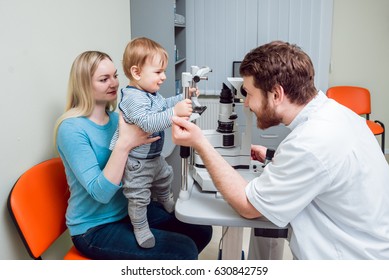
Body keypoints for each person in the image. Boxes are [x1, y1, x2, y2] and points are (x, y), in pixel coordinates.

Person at [171, 40, 389, 259]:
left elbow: (248, 205)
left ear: (276, 94)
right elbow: (325, 169)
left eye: (249, 94)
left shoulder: (309, 143)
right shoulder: (338, 115)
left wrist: (201, 143)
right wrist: (273, 157)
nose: (246, 104)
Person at [54, 50, 212, 259]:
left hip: (126, 209)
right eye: (104, 79)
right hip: (94, 228)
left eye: (115, 75)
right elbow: (101, 194)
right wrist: (124, 144)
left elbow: (158, 110)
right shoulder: (71, 129)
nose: (114, 83)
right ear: (83, 84)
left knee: (201, 229)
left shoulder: (116, 118)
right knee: (182, 251)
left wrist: (183, 99)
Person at [109, 37, 196, 248]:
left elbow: (163, 105)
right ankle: (140, 227)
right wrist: (175, 113)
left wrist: (181, 98)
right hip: (137, 163)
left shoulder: (150, 94)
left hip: (153, 157)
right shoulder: (132, 98)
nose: (164, 77)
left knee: (166, 176)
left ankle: (166, 198)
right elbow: (148, 122)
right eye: (158, 72)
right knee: (139, 198)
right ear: (137, 72)